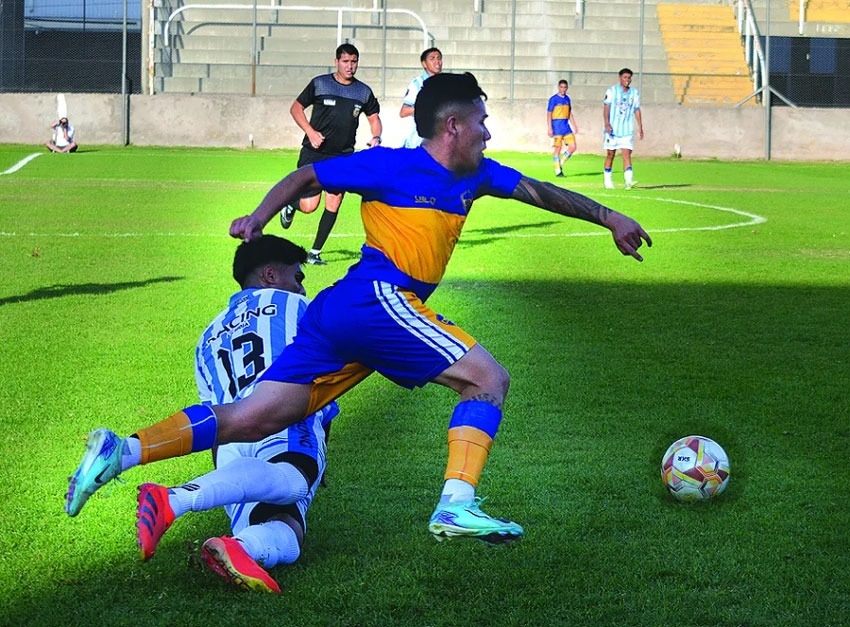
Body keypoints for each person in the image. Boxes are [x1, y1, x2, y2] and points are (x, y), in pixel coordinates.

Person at [66, 72, 651, 547]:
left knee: (254, 417)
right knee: (487, 379)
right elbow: (307, 174)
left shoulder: (477, 176)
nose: (488, 132)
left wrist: (610, 218)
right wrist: (259, 219)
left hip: (341, 311)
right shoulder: (391, 166)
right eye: (481, 121)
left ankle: (124, 450)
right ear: (453, 126)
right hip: (378, 301)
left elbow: (542, 192)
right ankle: (457, 505)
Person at [135, 235, 340, 593]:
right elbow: (326, 377)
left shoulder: (207, 335)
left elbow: (213, 410)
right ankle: (174, 498)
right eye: (298, 276)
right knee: (295, 481)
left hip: (231, 440)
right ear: (271, 275)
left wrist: (225, 468)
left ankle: (240, 548)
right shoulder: (297, 308)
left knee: (288, 526)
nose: (302, 286)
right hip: (281, 416)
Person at [279, 43, 382, 266]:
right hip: (314, 153)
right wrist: (310, 131)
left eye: (354, 62)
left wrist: (376, 138)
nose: (350, 66)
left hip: (342, 156)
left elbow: (374, 118)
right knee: (309, 206)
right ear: (336, 62)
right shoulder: (320, 83)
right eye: (345, 61)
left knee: (334, 201)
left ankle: (315, 252)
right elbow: (296, 108)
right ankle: (290, 204)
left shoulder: (363, 92)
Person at [603, 68, 644, 190]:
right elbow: (606, 108)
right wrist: (606, 123)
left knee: (627, 155)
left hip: (626, 130)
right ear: (620, 78)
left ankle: (628, 181)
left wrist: (640, 126)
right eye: (625, 77)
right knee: (611, 154)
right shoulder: (612, 91)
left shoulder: (634, 93)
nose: (627, 80)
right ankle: (607, 180)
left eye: (629, 78)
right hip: (612, 130)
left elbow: (636, 109)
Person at [399, 47, 443, 148]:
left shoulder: (446, 84)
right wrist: (427, 108)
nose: (437, 61)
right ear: (424, 64)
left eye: (439, 58)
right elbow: (404, 111)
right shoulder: (418, 84)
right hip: (418, 142)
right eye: (432, 58)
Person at [547, 80, 578, 177]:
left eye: (565, 87)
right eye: (561, 87)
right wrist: (549, 127)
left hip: (566, 126)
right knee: (558, 149)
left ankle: (560, 164)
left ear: (567, 88)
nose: (563, 89)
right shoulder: (553, 99)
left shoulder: (568, 99)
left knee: (573, 147)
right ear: (558, 87)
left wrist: (574, 125)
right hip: (557, 126)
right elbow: (549, 114)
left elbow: (569, 113)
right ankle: (558, 171)